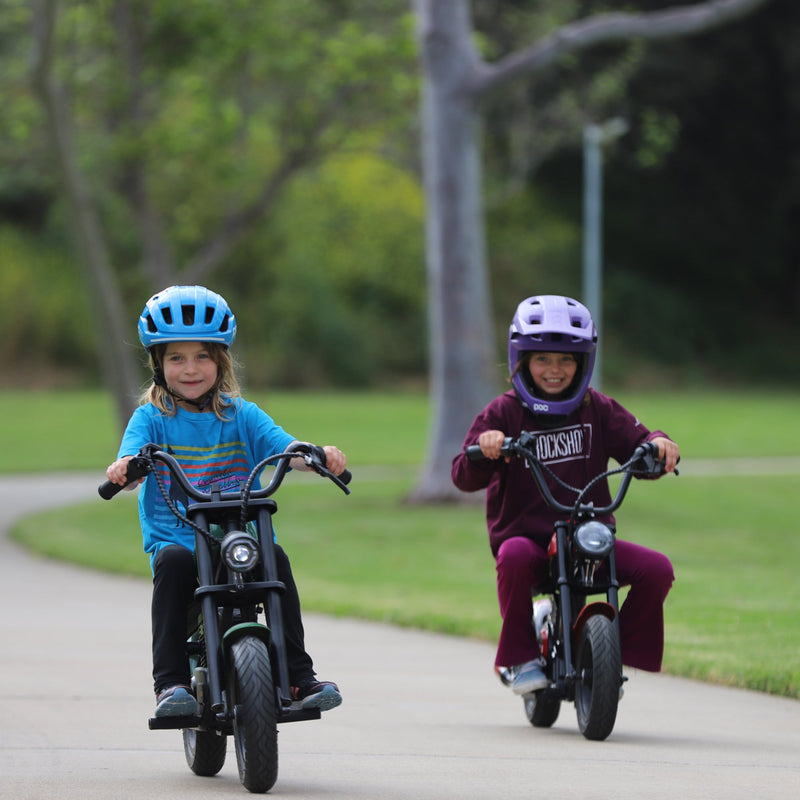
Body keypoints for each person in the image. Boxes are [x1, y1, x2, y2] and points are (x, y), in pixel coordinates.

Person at [106, 285, 346, 717]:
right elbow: (128, 462)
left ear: (221, 360)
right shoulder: (151, 419)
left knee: (275, 558)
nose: (191, 368)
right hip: (178, 540)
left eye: (202, 356)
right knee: (174, 565)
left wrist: (317, 455)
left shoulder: (243, 415)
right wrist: (126, 468)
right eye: (176, 358)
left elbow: (285, 448)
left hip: (237, 538)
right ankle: (171, 684)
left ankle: (298, 676)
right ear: (158, 365)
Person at [451, 294, 679, 695]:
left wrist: (660, 445)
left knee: (656, 569)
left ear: (582, 363)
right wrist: (487, 448)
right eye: (542, 359)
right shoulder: (502, 413)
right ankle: (518, 658)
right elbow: (462, 476)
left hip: (588, 536)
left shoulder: (598, 408)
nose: (554, 370)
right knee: (514, 556)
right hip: (530, 542)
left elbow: (640, 444)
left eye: (566, 360)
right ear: (522, 360)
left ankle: (611, 657)